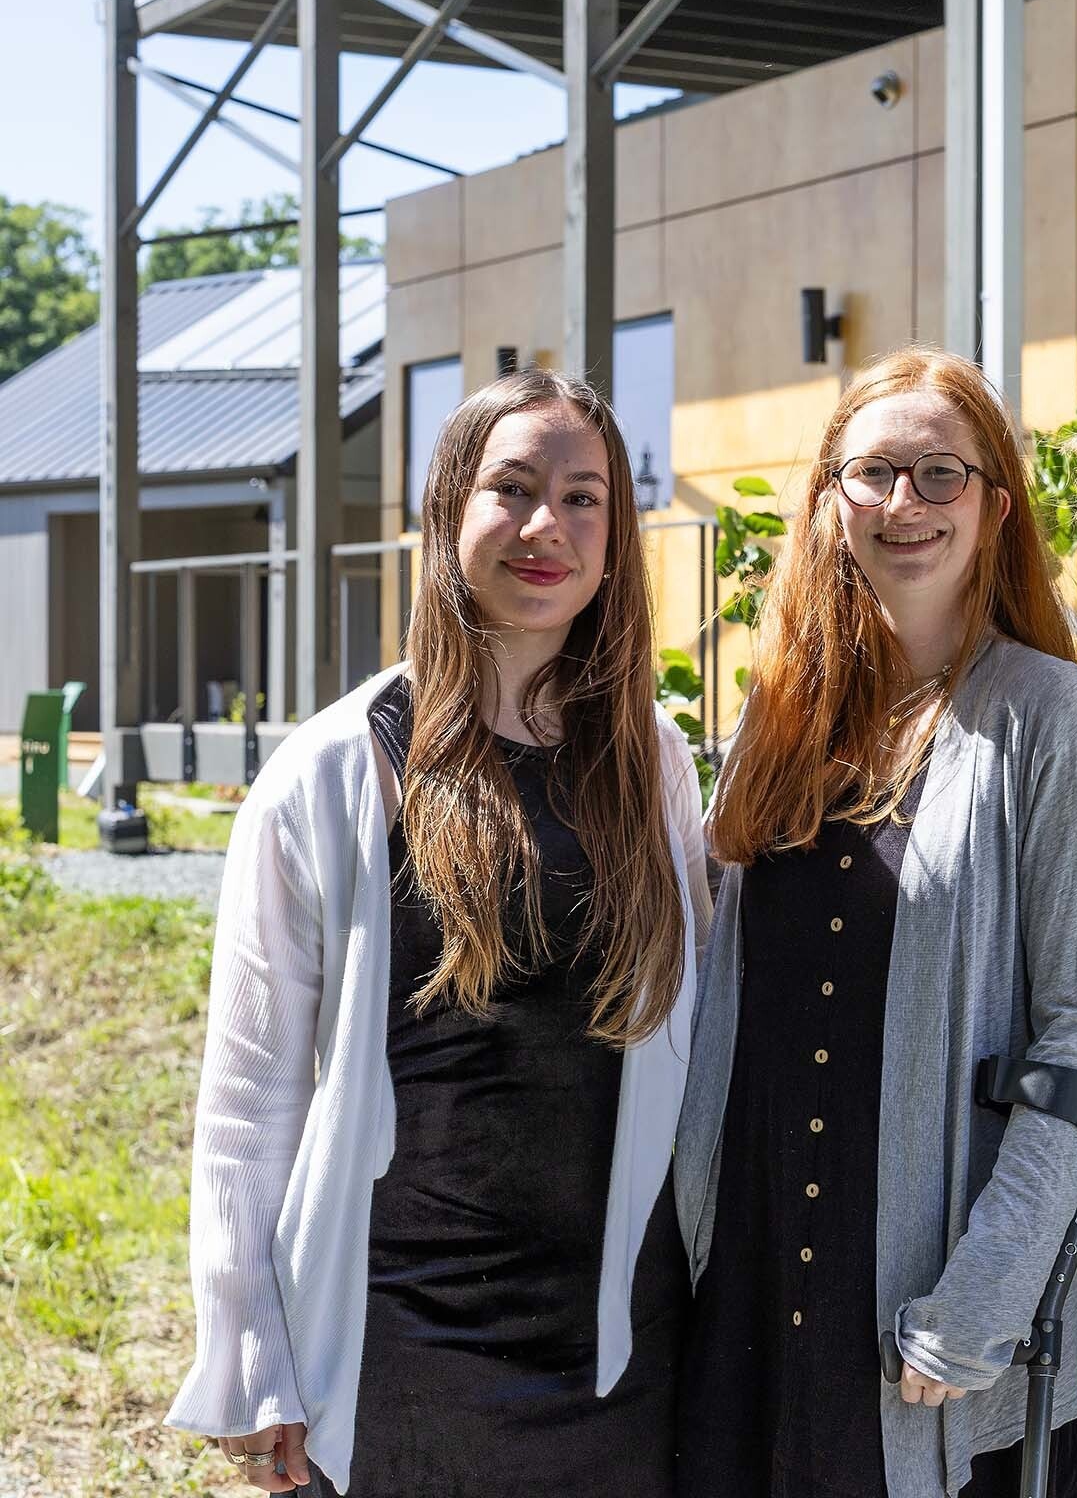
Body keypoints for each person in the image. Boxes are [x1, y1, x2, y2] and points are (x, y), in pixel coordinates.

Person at [166, 370, 709, 1495]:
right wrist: (250, 1350)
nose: (545, 525)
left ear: (616, 538)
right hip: (399, 1342)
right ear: (448, 510)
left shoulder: (652, 762)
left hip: (615, 1337)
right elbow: (250, 1094)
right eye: (510, 489)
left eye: (583, 496)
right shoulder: (336, 766)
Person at [674, 345, 1077, 1498]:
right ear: (829, 500)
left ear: (995, 504)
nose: (904, 504)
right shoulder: (774, 716)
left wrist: (988, 1294)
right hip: (750, 1289)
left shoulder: (1046, 715)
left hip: (929, 1319)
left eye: (940, 474)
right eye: (873, 473)